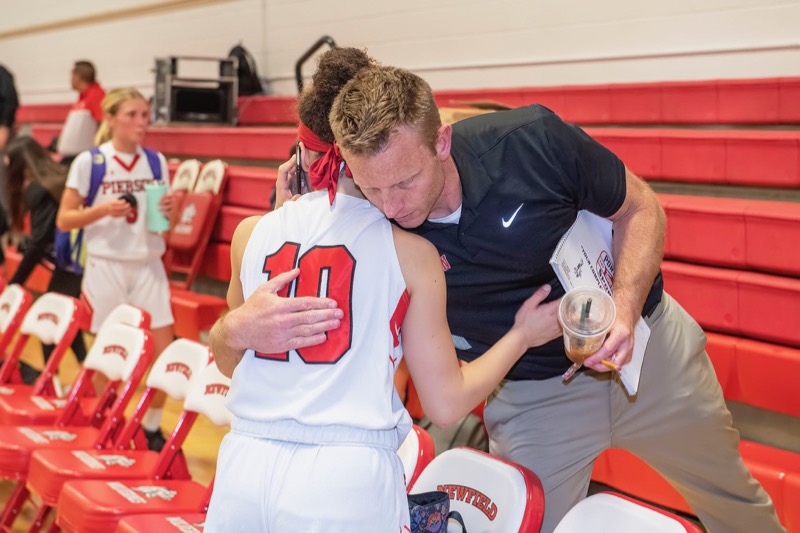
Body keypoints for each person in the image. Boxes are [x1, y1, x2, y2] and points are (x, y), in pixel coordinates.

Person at [325, 66, 786, 532]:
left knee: (737, 507)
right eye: (372, 188)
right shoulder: (366, 214)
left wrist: (624, 311)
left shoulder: (531, 142)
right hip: (533, 395)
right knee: (518, 521)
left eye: (404, 182)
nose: (390, 207)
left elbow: (640, 207)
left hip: (647, 353)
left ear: (441, 143)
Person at [205, 49, 562, 531]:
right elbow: (444, 404)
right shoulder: (413, 255)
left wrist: (233, 328)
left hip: (243, 467)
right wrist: (520, 335)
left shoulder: (251, 234)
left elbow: (227, 360)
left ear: (304, 154)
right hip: (345, 480)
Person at [56, 87, 175, 451]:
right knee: (106, 356)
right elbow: (64, 219)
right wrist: (101, 210)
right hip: (106, 266)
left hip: (148, 265)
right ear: (110, 118)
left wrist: (164, 213)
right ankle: (97, 422)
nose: (142, 122)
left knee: (163, 353)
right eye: (133, 115)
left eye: (145, 114)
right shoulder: (89, 162)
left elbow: (160, 227)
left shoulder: (155, 161)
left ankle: (151, 427)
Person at [4, 136, 87, 380]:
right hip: (78, 260)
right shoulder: (58, 177)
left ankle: (52, 381)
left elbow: (40, 240)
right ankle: (68, 378)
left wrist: (15, 281)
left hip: (73, 263)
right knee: (62, 318)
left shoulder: (40, 187)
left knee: (49, 319)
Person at [0, 64, 20, 263]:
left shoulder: (2, 74)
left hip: (1, 133)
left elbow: (10, 101)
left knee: (4, 187)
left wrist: (4, 127)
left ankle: (12, 230)